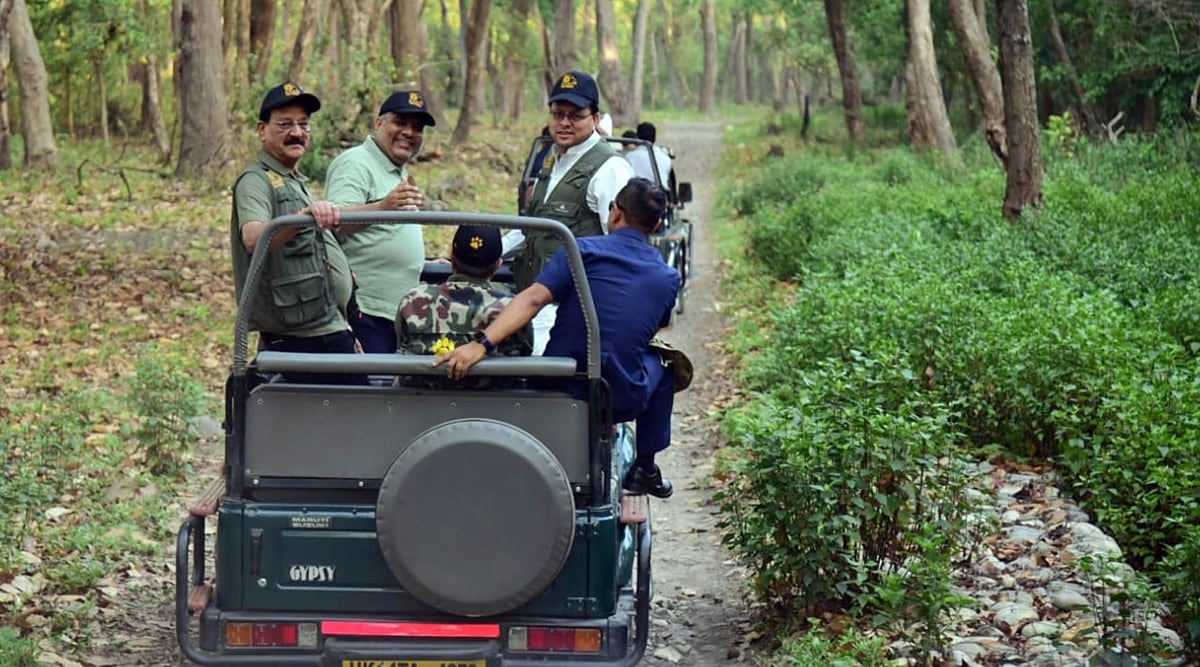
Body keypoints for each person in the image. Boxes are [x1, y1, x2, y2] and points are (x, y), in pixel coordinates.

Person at [436, 178, 681, 498]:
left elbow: (534, 299)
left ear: (616, 213)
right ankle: (645, 467)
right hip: (617, 396)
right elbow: (649, 329)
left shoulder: (582, 251)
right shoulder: (667, 276)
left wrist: (480, 344)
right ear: (657, 224)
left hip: (561, 382)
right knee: (667, 361)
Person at [230, 82, 361, 384]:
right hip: (300, 338)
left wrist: (384, 207)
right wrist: (302, 219)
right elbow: (253, 237)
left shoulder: (292, 179)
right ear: (262, 130)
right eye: (285, 124)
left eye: (303, 124)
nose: (297, 132)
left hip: (328, 329)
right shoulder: (255, 181)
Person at [518, 70, 635, 354]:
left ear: (595, 118)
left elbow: (622, 248)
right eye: (558, 114)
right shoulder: (550, 159)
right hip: (533, 301)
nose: (565, 123)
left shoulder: (610, 168)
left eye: (576, 115)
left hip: (574, 310)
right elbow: (531, 228)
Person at [324, 90, 435, 353]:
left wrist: (425, 260)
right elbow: (333, 221)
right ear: (378, 123)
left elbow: (387, 233)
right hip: (365, 309)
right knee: (370, 392)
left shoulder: (396, 170)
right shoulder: (355, 163)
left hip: (396, 312)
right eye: (400, 122)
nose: (409, 132)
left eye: (417, 127)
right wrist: (382, 207)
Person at [396, 225, 532, 357]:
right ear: (498, 265)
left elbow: (401, 341)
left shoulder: (413, 300)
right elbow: (526, 351)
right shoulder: (514, 310)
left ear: (452, 256)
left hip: (420, 380)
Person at [624, 121, 673, 189]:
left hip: (636, 196)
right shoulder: (666, 158)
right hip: (660, 196)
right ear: (655, 137)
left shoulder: (628, 157)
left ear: (637, 137)